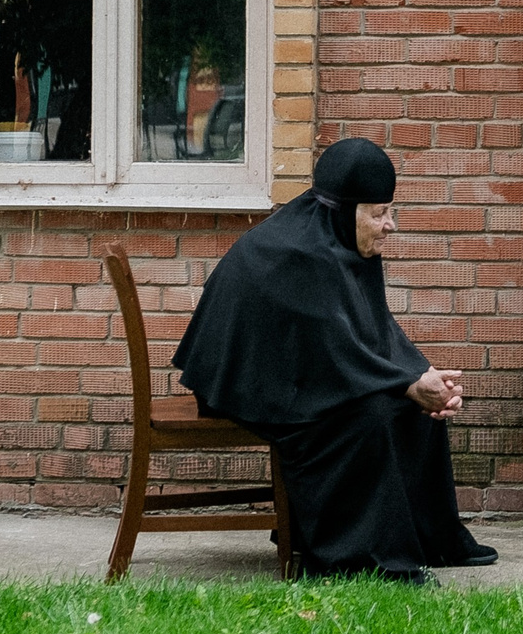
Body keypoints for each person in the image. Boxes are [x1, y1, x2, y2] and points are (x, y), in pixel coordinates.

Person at [173, 136, 496, 582]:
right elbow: (330, 350)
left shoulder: (340, 236)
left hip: (298, 369)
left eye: (389, 211)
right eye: (379, 214)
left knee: (409, 409)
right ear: (345, 210)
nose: (391, 225)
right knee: (371, 414)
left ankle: (426, 538)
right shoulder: (304, 254)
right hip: (245, 383)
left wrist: (421, 378)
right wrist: (403, 383)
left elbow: (368, 331)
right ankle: (361, 557)